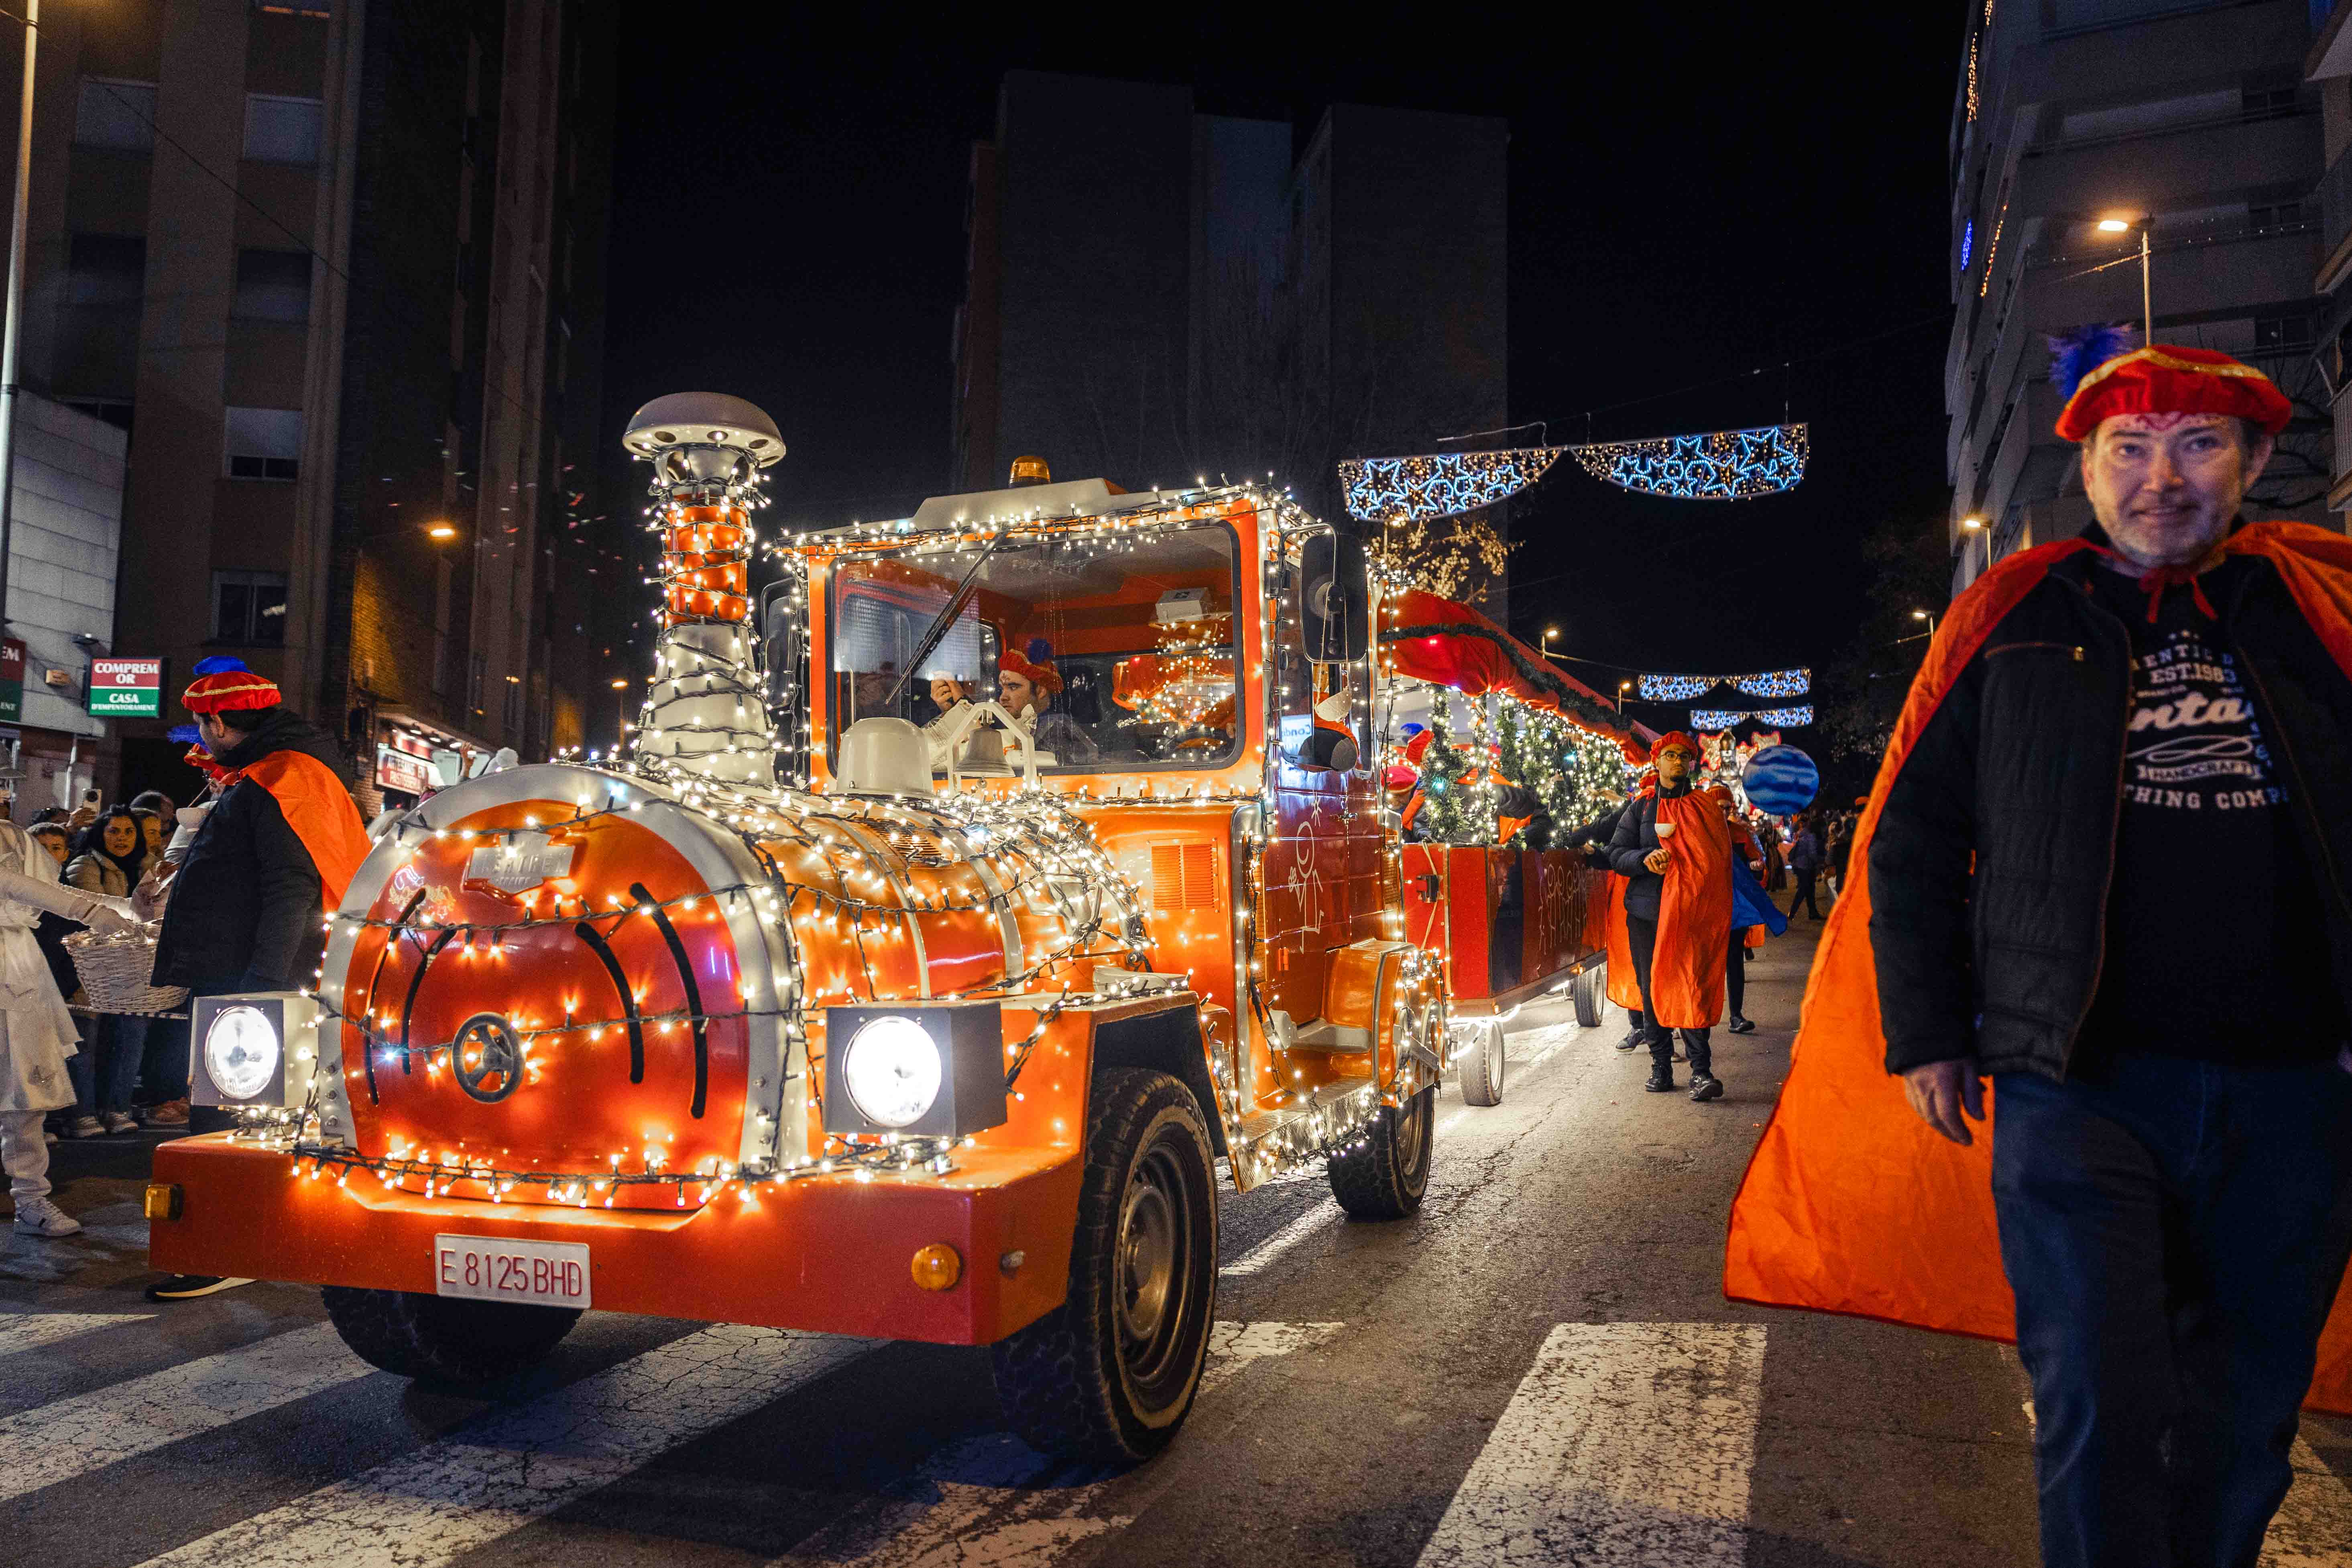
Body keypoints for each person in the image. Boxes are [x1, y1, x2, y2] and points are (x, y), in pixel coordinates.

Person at [1725, 342, 2352, 1568]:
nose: (2161, 477)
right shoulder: (2011, 620)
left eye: (2197, 443)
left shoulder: (2318, 614)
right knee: (2100, 1404)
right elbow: (1911, 842)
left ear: (2257, 461)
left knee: (2243, 1420)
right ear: (2087, 466)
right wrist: (1932, 1034)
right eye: (2131, 447)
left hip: (2295, 1092)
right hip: (2083, 1087)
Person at [144, 667, 371, 1301]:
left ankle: (217, 1251)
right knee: (249, 1121)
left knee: (220, 1127)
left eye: (203, 726)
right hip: (251, 975)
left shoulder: (281, 778)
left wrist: (256, 993)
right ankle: (246, 1242)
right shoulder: (283, 771)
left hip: (247, 981)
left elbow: (289, 889)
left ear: (217, 722)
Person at [0, 815, 139, 1236]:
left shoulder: (11, 834)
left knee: (26, 1093)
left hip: (20, 966)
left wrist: (130, 907)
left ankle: (30, 1198)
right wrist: (91, 912)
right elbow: (10, 883)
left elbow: (49, 889)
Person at [1607, 732, 1733, 1101]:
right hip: (1647, 913)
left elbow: (1719, 861)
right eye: (1671, 755)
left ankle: (1701, 1071)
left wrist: (1691, 874)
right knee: (1651, 990)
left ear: (1691, 763)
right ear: (1657, 761)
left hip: (1692, 915)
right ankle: (1661, 1066)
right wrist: (1645, 859)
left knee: (1692, 984)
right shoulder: (1640, 808)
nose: (1678, 762)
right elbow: (1617, 852)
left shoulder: (1705, 807)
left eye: (1684, 756)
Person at [996, 639, 1097, 765]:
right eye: (1002, 689)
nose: (1003, 697)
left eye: (1013, 688)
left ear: (1040, 691)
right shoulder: (1014, 727)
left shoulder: (1056, 727)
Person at [1785, 815, 1823, 919]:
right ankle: (1792, 914)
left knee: (1810, 890)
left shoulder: (1803, 835)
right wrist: (1820, 862)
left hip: (1801, 866)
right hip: (1805, 866)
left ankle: (1813, 913)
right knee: (1803, 891)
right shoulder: (1811, 836)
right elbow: (1812, 854)